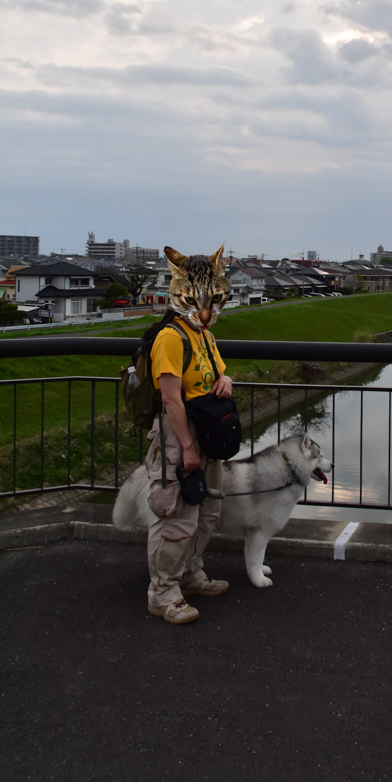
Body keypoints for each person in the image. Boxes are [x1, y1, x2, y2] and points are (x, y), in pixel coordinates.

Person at [143, 246, 233, 625]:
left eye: (213, 300)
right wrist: (188, 448)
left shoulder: (204, 335)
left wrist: (226, 378)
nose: (206, 312)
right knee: (177, 515)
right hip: (179, 437)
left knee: (208, 510)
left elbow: (218, 372)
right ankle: (163, 594)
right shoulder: (170, 337)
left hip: (206, 431)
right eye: (194, 302)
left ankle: (191, 575)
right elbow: (169, 397)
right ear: (175, 292)